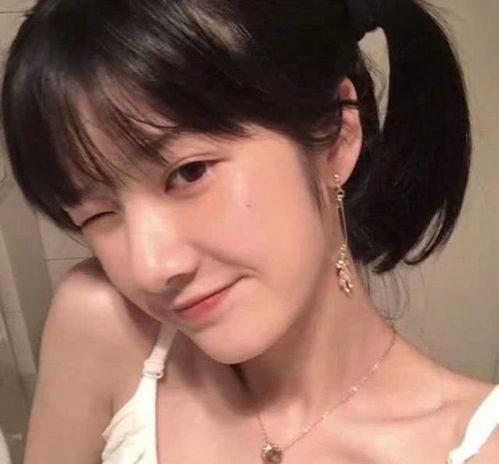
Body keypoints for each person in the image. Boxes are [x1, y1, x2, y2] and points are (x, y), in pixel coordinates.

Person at [2, 0, 498, 463]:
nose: (152, 268)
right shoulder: (104, 327)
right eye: (97, 215)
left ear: (337, 137)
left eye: (189, 172)